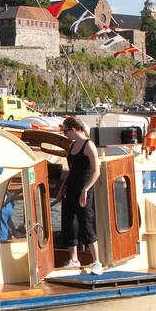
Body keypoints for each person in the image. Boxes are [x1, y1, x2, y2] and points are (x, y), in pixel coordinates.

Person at [57, 116, 103, 273]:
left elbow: (96, 171)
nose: (65, 135)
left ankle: (97, 261)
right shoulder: (72, 146)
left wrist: (85, 190)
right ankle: (73, 259)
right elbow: (72, 171)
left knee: (86, 223)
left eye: (65, 131)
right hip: (70, 188)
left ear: (73, 130)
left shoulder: (89, 146)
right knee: (68, 223)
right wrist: (62, 188)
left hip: (84, 189)